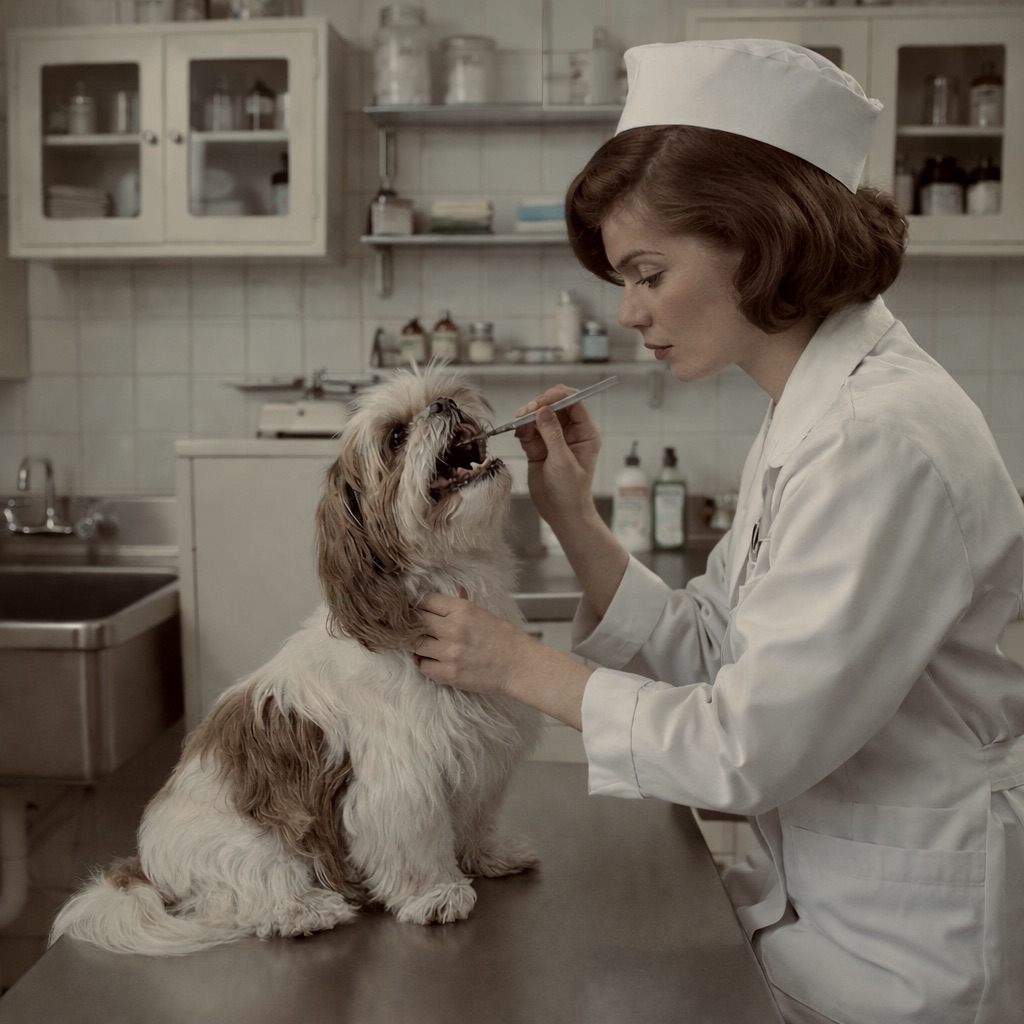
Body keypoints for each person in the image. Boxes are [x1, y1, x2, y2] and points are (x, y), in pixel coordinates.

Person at [412, 39, 1024, 1024]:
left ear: (758, 233)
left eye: (647, 271)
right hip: (825, 914)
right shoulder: (812, 408)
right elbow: (715, 647)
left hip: (904, 952)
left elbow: (743, 745)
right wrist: (573, 516)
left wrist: (511, 663)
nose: (629, 311)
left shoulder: (878, 436)